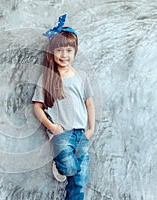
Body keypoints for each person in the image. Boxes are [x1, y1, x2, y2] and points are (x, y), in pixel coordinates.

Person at [32, 14, 95, 200]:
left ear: (75, 52)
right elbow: (37, 107)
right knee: (70, 168)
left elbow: (89, 103)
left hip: (80, 133)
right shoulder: (47, 78)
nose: (64, 55)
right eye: (59, 50)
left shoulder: (81, 76)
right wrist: (53, 128)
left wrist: (91, 129)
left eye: (68, 50)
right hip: (61, 133)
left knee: (80, 180)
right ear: (52, 52)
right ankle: (60, 165)